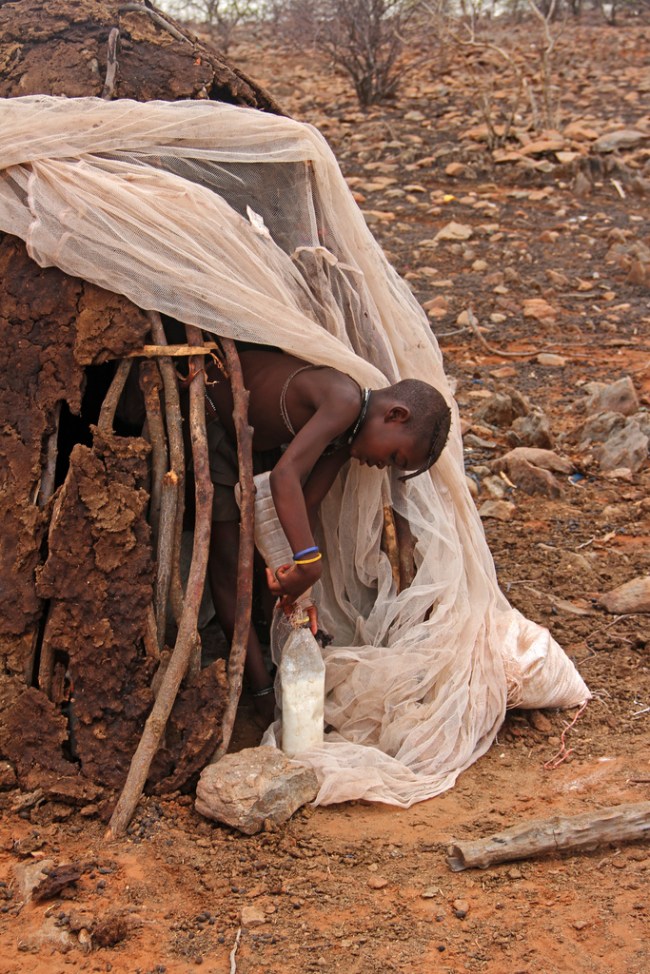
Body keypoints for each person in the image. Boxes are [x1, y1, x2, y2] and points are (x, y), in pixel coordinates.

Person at [201, 347, 451, 716]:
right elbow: (284, 477)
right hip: (215, 428)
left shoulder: (345, 440)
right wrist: (308, 564)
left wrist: (302, 589)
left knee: (259, 570)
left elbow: (308, 502)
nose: (382, 465)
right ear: (395, 415)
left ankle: (269, 676)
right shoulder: (344, 398)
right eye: (394, 457)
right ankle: (259, 690)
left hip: (248, 442)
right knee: (228, 566)